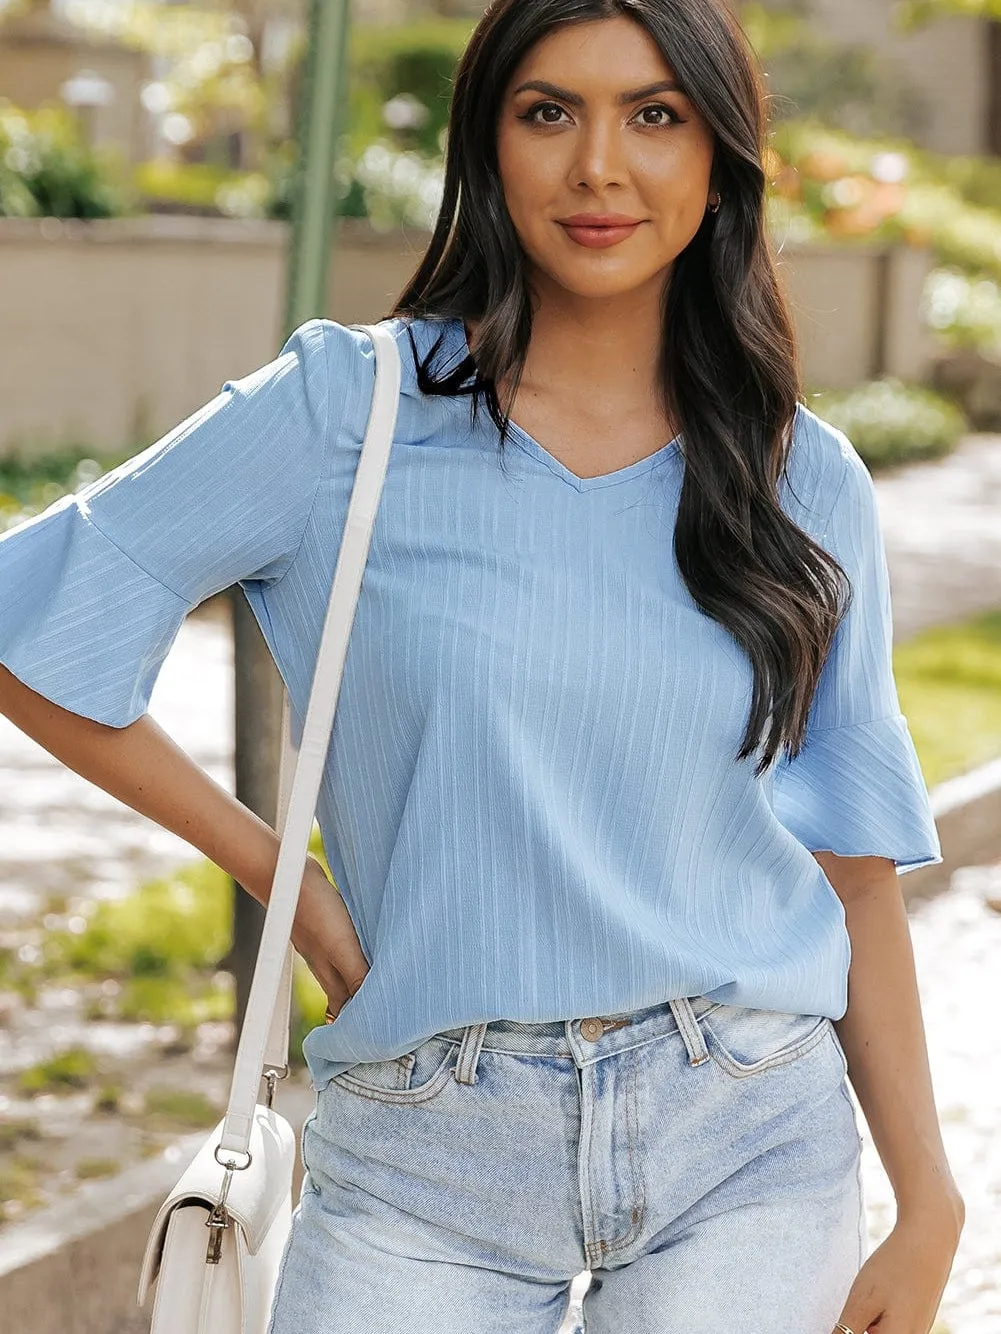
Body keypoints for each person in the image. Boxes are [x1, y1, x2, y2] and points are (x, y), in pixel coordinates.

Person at [0, 0, 964, 1331]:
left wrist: (930, 1204)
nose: (599, 169)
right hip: (423, 1150)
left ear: (718, 157)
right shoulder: (351, 413)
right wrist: (288, 879)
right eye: (549, 111)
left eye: (656, 115)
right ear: (487, 145)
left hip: (743, 1131)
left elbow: (853, 868)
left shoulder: (802, 478)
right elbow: (32, 621)